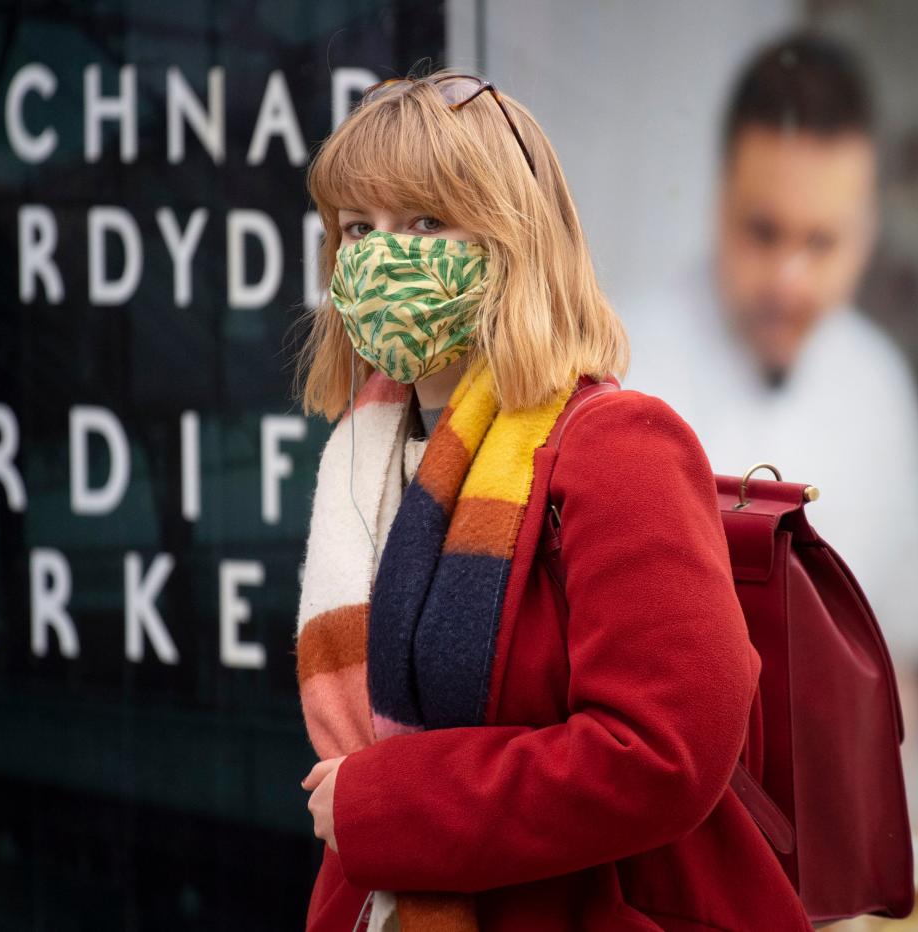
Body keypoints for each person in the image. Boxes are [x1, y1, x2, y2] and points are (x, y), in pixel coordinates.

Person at [289, 66, 813, 932]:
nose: (384, 254)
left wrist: (386, 806)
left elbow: (664, 750)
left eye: (425, 221)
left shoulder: (618, 447)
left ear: (512, 239)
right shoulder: (367, 459)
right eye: (357, 227)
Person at [618, 31, 918, 839]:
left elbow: (903, 672)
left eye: (822, 242)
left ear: (867, 233)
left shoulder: (881, 388)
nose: (788, 280)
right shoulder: (618, 365)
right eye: (763, 232)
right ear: (717, 198)